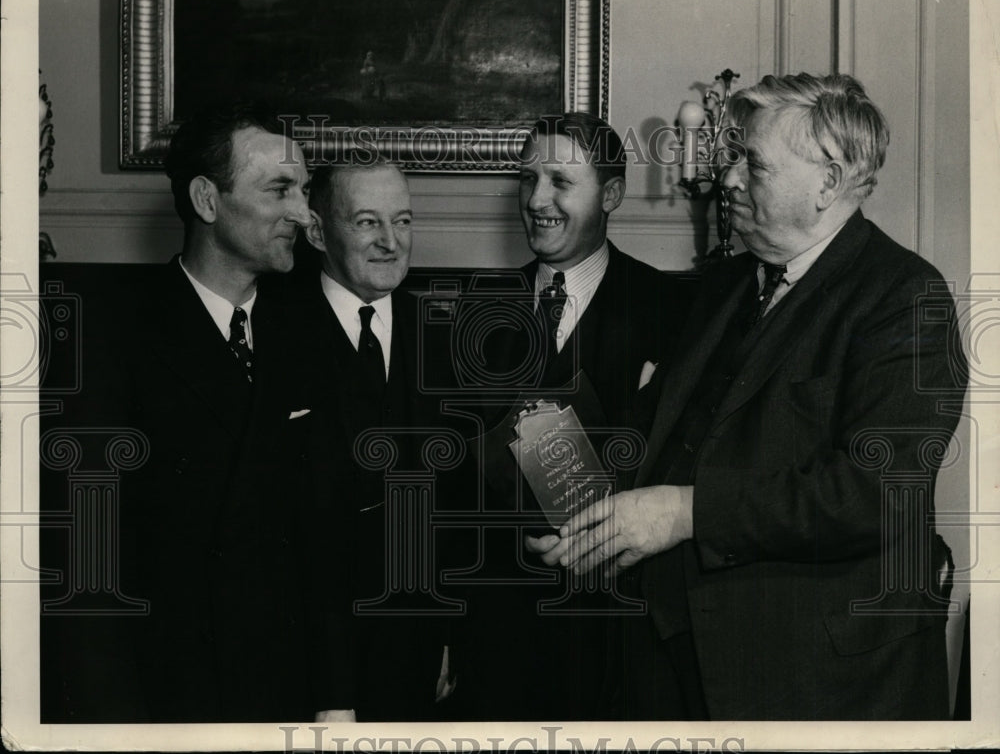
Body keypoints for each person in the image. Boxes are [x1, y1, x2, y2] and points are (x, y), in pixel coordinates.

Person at [531, 73, 967, 720]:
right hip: (677, 655)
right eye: (733, 157)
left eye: (753, 163)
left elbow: (876, 492)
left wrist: (686, 513)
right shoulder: (730, 283)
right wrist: (562, 476)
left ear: (827, 181)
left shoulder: (904, 296)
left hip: (812, 677)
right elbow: (661, 430)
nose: (729, 178)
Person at [41, 102, 329, 721]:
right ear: (206, 200)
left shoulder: (312, 335)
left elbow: (326, 543)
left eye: (304, 190)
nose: (304, 212)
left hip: (285, 698)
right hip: (165, 700)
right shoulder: (112, 340)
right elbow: (89, 571)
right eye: (280, 188)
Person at [450, 112, 684, 721]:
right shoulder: (478, 307)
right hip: (494, 635)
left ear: (610, 194)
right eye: (529, 180)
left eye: (560, 180)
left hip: (616, 638)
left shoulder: (670, 308)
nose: (537, 200)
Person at [290, 158, 450, 722]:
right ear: (316, 232)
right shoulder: (272, 329)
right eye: (366, 223)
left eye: (402, 221)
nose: (390, 242)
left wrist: (449, 635)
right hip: (302, 664)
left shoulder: (440, 333)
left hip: (418, 661)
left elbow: (453, 505)